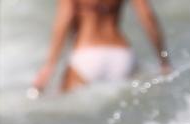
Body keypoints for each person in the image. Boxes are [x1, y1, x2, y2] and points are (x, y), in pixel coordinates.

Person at [31, 0, 170, 95]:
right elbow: (147, 17)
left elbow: (64, 20)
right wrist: (163, 59)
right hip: (122, 56)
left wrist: (49, 66)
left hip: (85, 56)